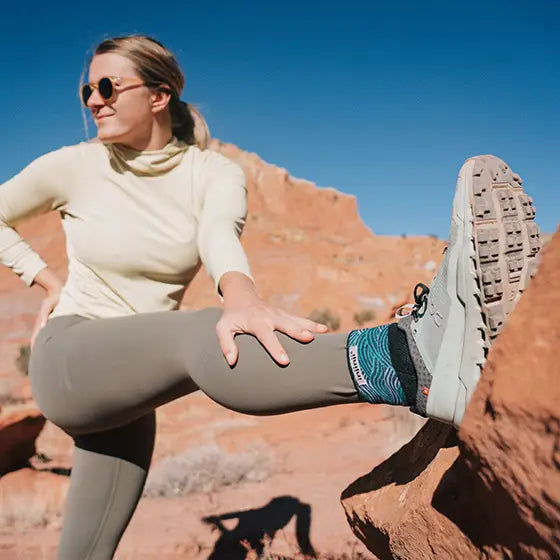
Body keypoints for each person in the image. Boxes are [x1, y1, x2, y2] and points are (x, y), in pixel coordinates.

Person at [0, 34, 540, 560]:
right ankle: (405, 358)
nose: (94, 100)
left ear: (159, 95)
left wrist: (242, 296)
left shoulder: (211, 172)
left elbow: (218, 236)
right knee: (201, 333)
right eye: (86, 91)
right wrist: (44, 277)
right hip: (71, 357)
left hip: (133, 391)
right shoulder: (74, 165)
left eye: (108, 87)